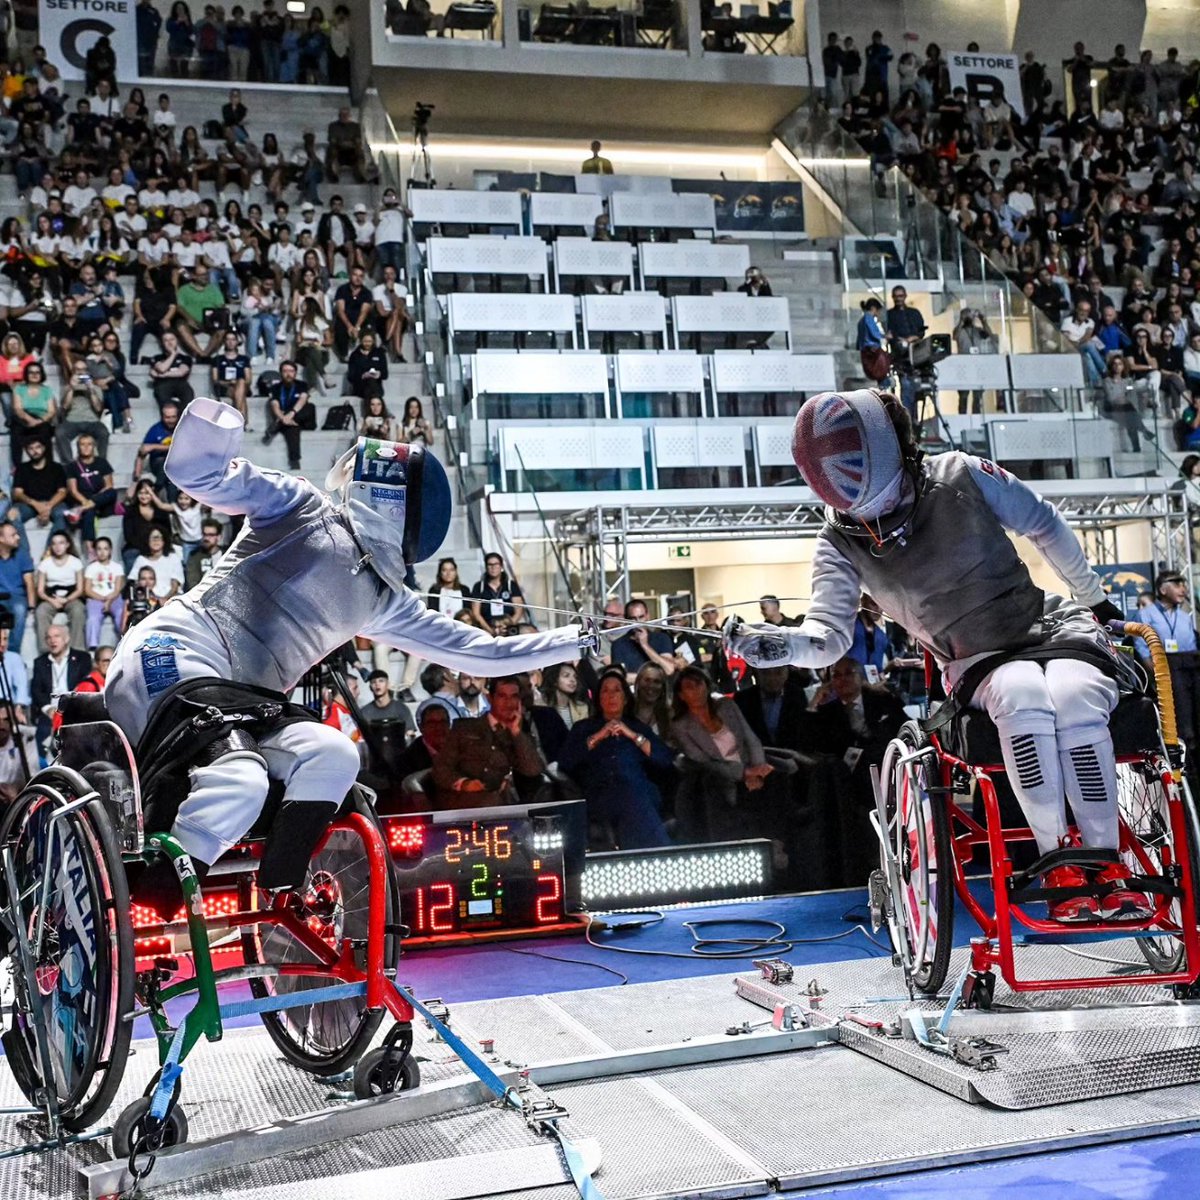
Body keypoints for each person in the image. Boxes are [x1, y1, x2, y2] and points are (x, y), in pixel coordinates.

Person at [103, 403, 601, 915]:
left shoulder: (385, 597)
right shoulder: (299, 508)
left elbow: (483, 652)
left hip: (243, 706)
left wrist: (578, 638)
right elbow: (194, 472)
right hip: (170, 657)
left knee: (335, 755)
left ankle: (283, 896)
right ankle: (148, 901)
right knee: (242, 781)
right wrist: (216, 425)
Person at [726, 389, 1146, 923]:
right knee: (1023, 698)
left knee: (1075, 695)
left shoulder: (963, 473)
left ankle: (1107, 862)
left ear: (899, 450)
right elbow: (829, 638)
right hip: (978, 660)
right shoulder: (839, 541)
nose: (878, 520)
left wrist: (1096, 601)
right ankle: (1058, 858)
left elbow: (1042, 521)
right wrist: (776, 644)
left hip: (1050, 626)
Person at [558, 667, 673, 848]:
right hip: (600, 793)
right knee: (628, 798)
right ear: (599, 698)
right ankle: (660, 854)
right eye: (605, 690)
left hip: (639, 792)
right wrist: (599, 736)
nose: (611, 695)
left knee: (634, 794)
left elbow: (664, 759)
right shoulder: (583, 728)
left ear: (625, 698)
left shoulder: (637, 727)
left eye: (617, 690)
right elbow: (566, 762)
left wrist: (633, 736)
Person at [671, 665, 771, 842]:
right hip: (720, 774)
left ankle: (776, 844)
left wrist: (758, 769)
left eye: (698, 684)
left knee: (775, 780)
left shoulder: (726, 705)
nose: (696, 690)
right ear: (681, 695)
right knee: (714, 785)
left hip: (749, 764)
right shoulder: (681, 726)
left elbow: (750, 738)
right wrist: (744, 773)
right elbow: (704, 761)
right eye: (689, 687)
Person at [431, 676, 547, 809]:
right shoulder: (464, 728)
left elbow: (533, 770)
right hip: (464, 803)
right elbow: (441, 769)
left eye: (513, 696)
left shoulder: (520, 734)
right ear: (490, 698)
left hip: (504, 805)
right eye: (502, 696)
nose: (508, 703)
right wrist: (464, 784)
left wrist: (516, 732)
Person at [1137, 570, 1200, 762]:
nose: (1183, 589)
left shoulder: (1184, 616)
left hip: (1191, 667)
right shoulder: (1146, 614)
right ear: (1163, 589)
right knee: (1183, 721)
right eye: (1177, 584)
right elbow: (1142, 648)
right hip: (1169, 669)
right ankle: (1184, 764)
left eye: (1184, 584)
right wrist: (1159, 676)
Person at [31, 621, 90, 758]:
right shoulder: (40, 662)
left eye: (56, 636)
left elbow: (85, 686)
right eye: (48, 637)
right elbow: (36, 690)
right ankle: (44, 769)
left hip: (73, 708)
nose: (52, 641)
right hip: (50, 711)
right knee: (43, 731)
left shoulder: (82, 658)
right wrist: (47, 708)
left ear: (66, 639)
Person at [34, 530, 85, 650]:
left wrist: (66, 599)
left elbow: (80, 589)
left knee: (78, 610)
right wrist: (52, 601)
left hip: (71, 596)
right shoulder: (45, 564)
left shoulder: (75, 562)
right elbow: (40, 590)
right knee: (41, 611)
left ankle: (76, 649)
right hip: (51, 597)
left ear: (67, 544)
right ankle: (46, 650)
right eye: (54, 543)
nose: (58, 547)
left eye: (61, 543)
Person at [610, 597, 675, 681]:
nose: (638, 622)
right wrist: (651, 677)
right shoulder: (618, 644)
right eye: (633, 618)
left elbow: (669, 669)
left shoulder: (661, 638)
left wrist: (645, 646)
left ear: (647, 616)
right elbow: (620, 676)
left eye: (641, 617)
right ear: (626, 620)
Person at [12, 438, 68, 535]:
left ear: (44, 448)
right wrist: (36, 504)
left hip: (53, 503)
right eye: (31, 448)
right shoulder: (22, 468)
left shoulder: (56, 467)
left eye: (38, 447)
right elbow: (17, 493)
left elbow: (62, 492)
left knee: (63, 514)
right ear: (26, 451)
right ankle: (23, 550)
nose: (35, 451)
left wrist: (47, 507)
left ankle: (51, 550)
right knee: (12, 515)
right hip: (29, 504)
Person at [886, 287, 926, 417]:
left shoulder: (914, 313)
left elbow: (921, 331)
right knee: (906, 388)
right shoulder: (889, 315)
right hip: (901, 357)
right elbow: (890, 335)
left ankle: (915, 418)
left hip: (918, 354)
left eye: (901, 296)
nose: (898, 299)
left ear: (905, 296)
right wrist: (901, 341)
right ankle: (908, 420)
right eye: (896, 296)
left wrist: (912, 338)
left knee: (919, 389)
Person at [262, 361, 309, 471]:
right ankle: (295, 461)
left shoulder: (302, 385)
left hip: (299, 415)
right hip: (287, 419)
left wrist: (291, 414)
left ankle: (276, 426)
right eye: (285, 371)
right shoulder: (276, 388)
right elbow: (275, 405)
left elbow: (303, 399)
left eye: (291, 371)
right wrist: (284, 418)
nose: (288, 374)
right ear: (281, 373)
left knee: (309, 407)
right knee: (292, 428)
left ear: (295, 373)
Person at [83, 536, 124, 650]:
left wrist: (109, 600)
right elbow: (87, 589)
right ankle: (92, 647)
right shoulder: (91, 568)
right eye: (99, 549)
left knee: (121, 613)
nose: (102, 552)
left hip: (114, 598)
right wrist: (102, 599)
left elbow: (117, 588)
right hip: (95, 598)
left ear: (110, 550)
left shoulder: (117, 567)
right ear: (95, 551)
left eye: (105, 549)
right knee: (93, 619)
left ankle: (124, 641)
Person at [471, 553, 527, 633]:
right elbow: (476, 614)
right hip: (487, 629)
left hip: (509, 628)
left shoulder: (511, 585)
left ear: (501, 566)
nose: (493, 567)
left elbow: (519, 610)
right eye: (490, 564)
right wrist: (490, 631)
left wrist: (507, 628)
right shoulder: (479, 587)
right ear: (486, 567)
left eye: (496, 564)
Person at [185, 518, 224, 589]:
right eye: (204, 534)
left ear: (219, 537)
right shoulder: (195, 556)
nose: (206, 538)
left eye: (211, 535)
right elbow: (192, 583)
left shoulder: (227, 555)